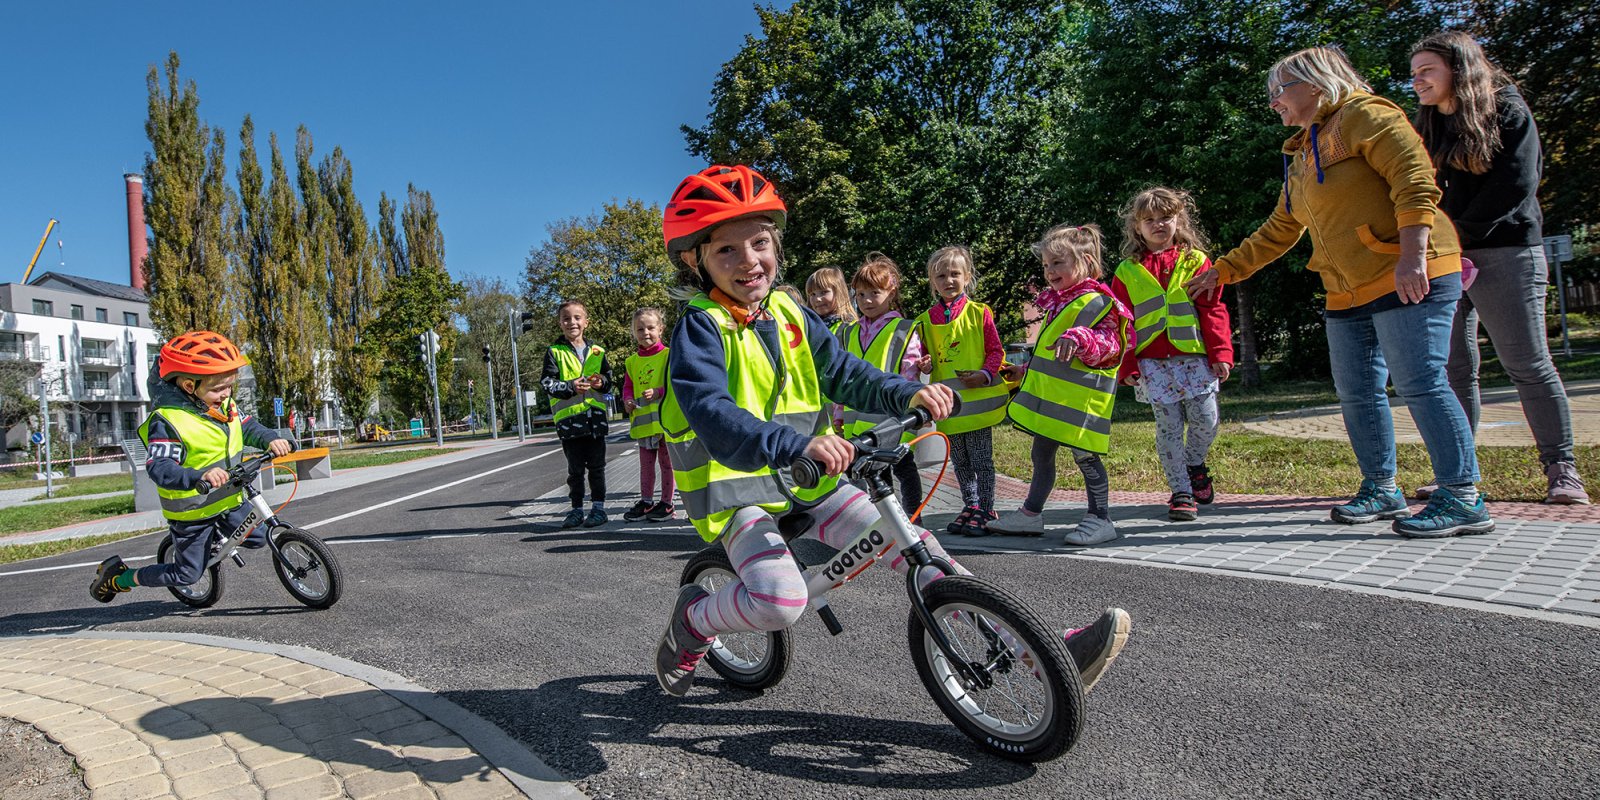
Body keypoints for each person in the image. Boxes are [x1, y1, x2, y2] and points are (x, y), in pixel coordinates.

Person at [652, 164, 1131, 696]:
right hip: (737, 490)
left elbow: (845, 373)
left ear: (776, 244)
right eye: (726, 251)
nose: (749, 261)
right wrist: (798, 444)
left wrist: (907, 393)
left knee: (916, 540)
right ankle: (694, 620)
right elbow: (713, 410)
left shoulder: (789, 309)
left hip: (807, 480)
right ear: (695, 262)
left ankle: (1041, 651)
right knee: (781, 603)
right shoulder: (700, 326)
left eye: (759, 243)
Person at [1187, 45, 1493, 539]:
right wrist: (1224, 271)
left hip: (1408, 271)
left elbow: (1414, 180)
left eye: (1279, 90)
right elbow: (1280, 229)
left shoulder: (1365, 115)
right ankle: (1381, 487)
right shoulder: (1303, 152)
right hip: (1345, 290)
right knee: (1357, 393)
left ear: (1315, 82)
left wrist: (1413, 256)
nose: (1273, 103)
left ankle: (1462, 495)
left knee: (1421, 381)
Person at [1410, 31, 1588, 505]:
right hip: (1445, 257)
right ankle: (1458, 472)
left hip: (1504, 251)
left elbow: (1515, 183)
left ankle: (1561, 469)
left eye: (1427, 71)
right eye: (1414, 74)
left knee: (1527, 363)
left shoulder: (1506, 110)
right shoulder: (1427, 122)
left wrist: (1458, 234)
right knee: (1453, 368)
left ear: (1460, 68)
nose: (1417, 81)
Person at [90, 331, 294, 602]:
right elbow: (159, 467)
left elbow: (248, 427)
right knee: (187, 574)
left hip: (228, 500)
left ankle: (214, 543)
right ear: (189, 386)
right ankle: (120, 577)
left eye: (229, 386)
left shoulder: (225, 406)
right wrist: (200, 475)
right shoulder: (169, 421)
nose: (226, 394)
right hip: (193, 512)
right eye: (218, 388)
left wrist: (271, 438)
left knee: (258, 537)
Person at [988, 225, 1134, 544]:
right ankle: (1030, 514)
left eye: (1057, 263)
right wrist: (1025, 370)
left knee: (1085, 456)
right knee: (1041, 452)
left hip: (1082, 404)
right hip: (1058, 402)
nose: (1049, 271)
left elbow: (1111, 347)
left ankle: (1100, 518)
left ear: (1085, 260)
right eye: (1045, 265)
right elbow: (1052, 353)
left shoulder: (1099, 302)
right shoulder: (1062, 303)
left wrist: (1080, 337)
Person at [1109, 187, 1235, 521]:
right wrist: (1127, 365)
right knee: (1168, 427)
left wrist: (1221, 352)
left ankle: (1194, 464)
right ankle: (1180, 491)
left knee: (1206, 420)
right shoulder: (1127, 270)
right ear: (1137, 227)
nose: (1158, 224)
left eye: (1165, 216)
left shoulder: (1197, 261)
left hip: (1195, 358)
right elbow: (1122, 323)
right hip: (1153, 364)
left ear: (1179, 219)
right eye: (1149, 219)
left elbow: (1213, 308)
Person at [915, 245, 1009, 536]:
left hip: (977, 404)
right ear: (933, 282)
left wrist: (984, 374)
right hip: (950, 405)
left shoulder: (979, 313)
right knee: (960, 461)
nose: (948, 281)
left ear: (967, 276)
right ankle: (970, 505)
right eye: (941, 276)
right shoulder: (925, 320)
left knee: (981, 459)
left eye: (955, 274)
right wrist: (925, 364)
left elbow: (995, 351)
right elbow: (925, 359)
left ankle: (986, 508)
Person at [835, 252, 926, 512]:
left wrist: (914, 406)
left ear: (891, 290)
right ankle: (888, 523)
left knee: (905, 469)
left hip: (894, 419)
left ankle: (913, 518)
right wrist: (838, 415)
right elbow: (841, 377)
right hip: (859, 424)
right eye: (860, 295)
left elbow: (910, 373)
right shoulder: (849, 332)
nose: (866, 300)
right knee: (876, 477)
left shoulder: (903, 329)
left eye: (874, 292)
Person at [541, 300, 614, 529]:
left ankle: (599, 509)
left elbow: (609, 381)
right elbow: (547, 383)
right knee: (575, 470)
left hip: (595, 421)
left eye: (577, 317)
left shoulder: (598, 352)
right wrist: (570, 386)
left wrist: (600, 382)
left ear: (586, 322)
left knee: (597, 467)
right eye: (566, 318)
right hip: (570, 423)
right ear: (560, 324)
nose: (572, 322)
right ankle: (576, 510)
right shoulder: (555, 352)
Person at [622, 307, 675, 522]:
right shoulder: (631, 362)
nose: (646, 333)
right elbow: (628, 386)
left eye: (651, 328)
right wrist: (627, 401)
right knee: (645, 467)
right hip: (644, 426)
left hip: (664, 424)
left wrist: (658, 392)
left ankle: (667, 503)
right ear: (634, 333)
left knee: (667, 465)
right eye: (640, 329)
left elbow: (674, 384)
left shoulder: (669, 355)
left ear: (661, 329)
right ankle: (646, 502)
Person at [804, 266, 856, 335]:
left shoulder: (850, 327)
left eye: (823, 292)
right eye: (813, 294)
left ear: (839, 293)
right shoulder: (808, 328)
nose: (817, 299)